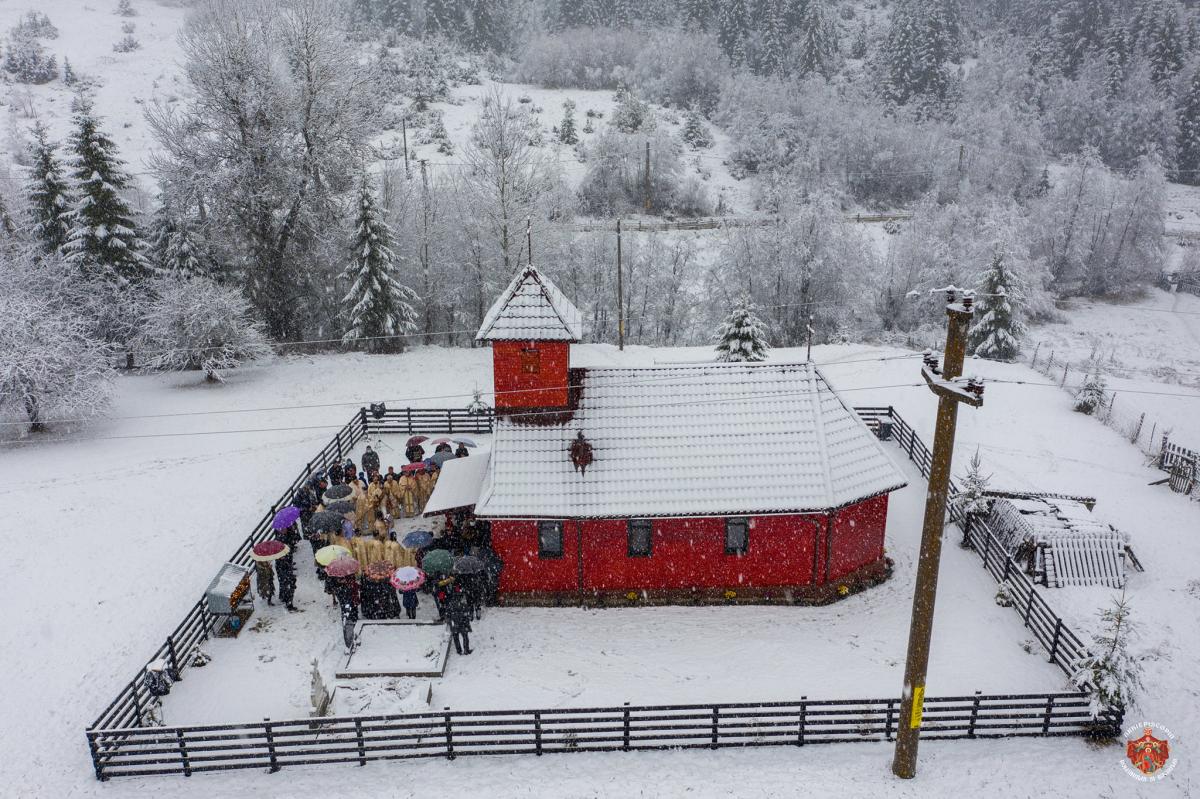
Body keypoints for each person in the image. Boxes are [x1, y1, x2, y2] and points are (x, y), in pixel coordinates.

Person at [446, 584, 473, 655]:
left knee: (456, 637)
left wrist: (450, 621)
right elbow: (466, 613)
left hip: (454, 623)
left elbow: (447, 614)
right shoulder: (463, 603)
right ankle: (466, 650)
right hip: (462, 622)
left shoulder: (450, 603)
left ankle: (459, 650)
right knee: (465, 636)